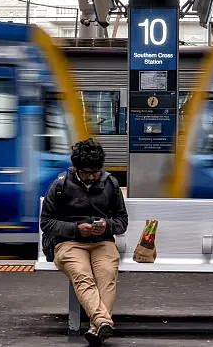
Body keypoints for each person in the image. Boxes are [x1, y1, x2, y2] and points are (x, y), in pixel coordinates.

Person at [40, 138, 128, 346]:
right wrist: (75, 228)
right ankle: (102, 321)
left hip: (101, 242)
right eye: (86, 172)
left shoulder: (111, 184)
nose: (91, 177)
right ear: (75, 168)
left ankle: (96, 328)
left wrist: (106, 225)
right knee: (82, 275)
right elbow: (47, 222)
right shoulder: (60, 184)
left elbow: (122, 221)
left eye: (95, 172)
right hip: (69, 243)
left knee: (107, 274)